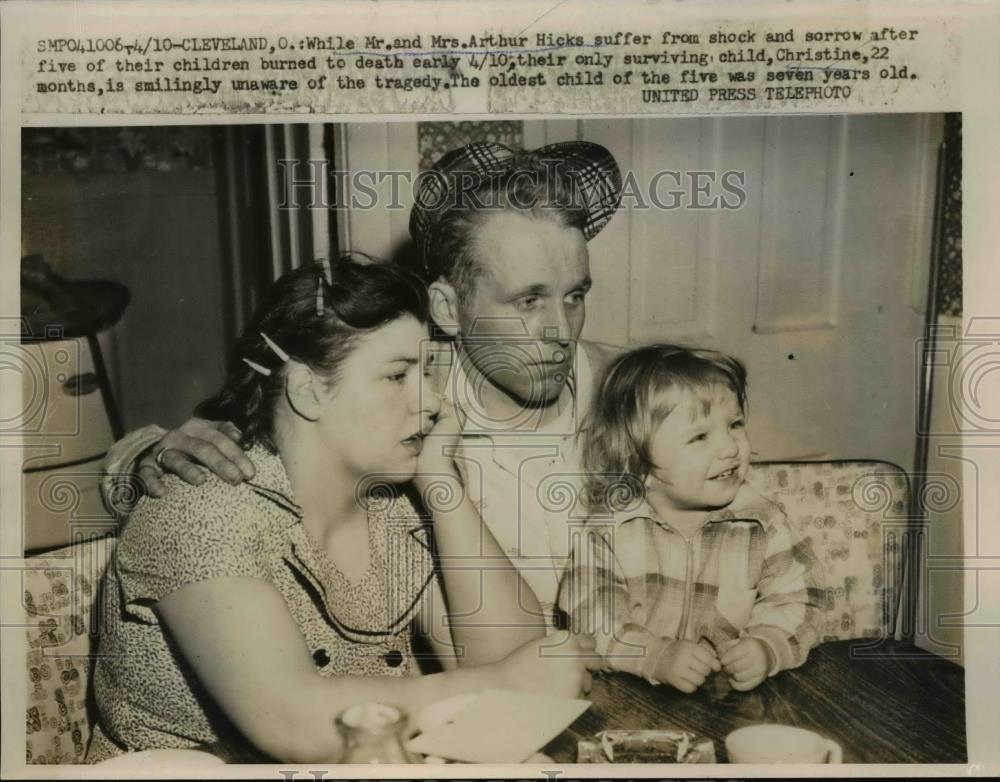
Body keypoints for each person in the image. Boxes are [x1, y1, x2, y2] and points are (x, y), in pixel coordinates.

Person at [88, 258, 591, 764]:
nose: (434, 400)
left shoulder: (390, 510)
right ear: (307, 390)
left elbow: (522, 670)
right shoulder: (202, 510)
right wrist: (501, 682)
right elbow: (291, 720)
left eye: (428, 373)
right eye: (398, 375)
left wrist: (441, 481)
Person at [103, 141, 625, 626]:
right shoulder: (395, 402)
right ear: (447, 307)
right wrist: (147, 455)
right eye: (528, 301)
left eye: (575, 295)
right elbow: (228, 442)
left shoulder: (631, 388)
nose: (562, 333)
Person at [558, 345, 826, 694]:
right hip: (630, 696)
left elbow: (803, 600)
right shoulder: (609, 531)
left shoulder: (762, 522)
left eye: (735, 424)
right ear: (637, 462)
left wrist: (769, 645)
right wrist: (654, 655)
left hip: (728, 699)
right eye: (700, 436)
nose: (730, 448)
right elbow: (588, 616)